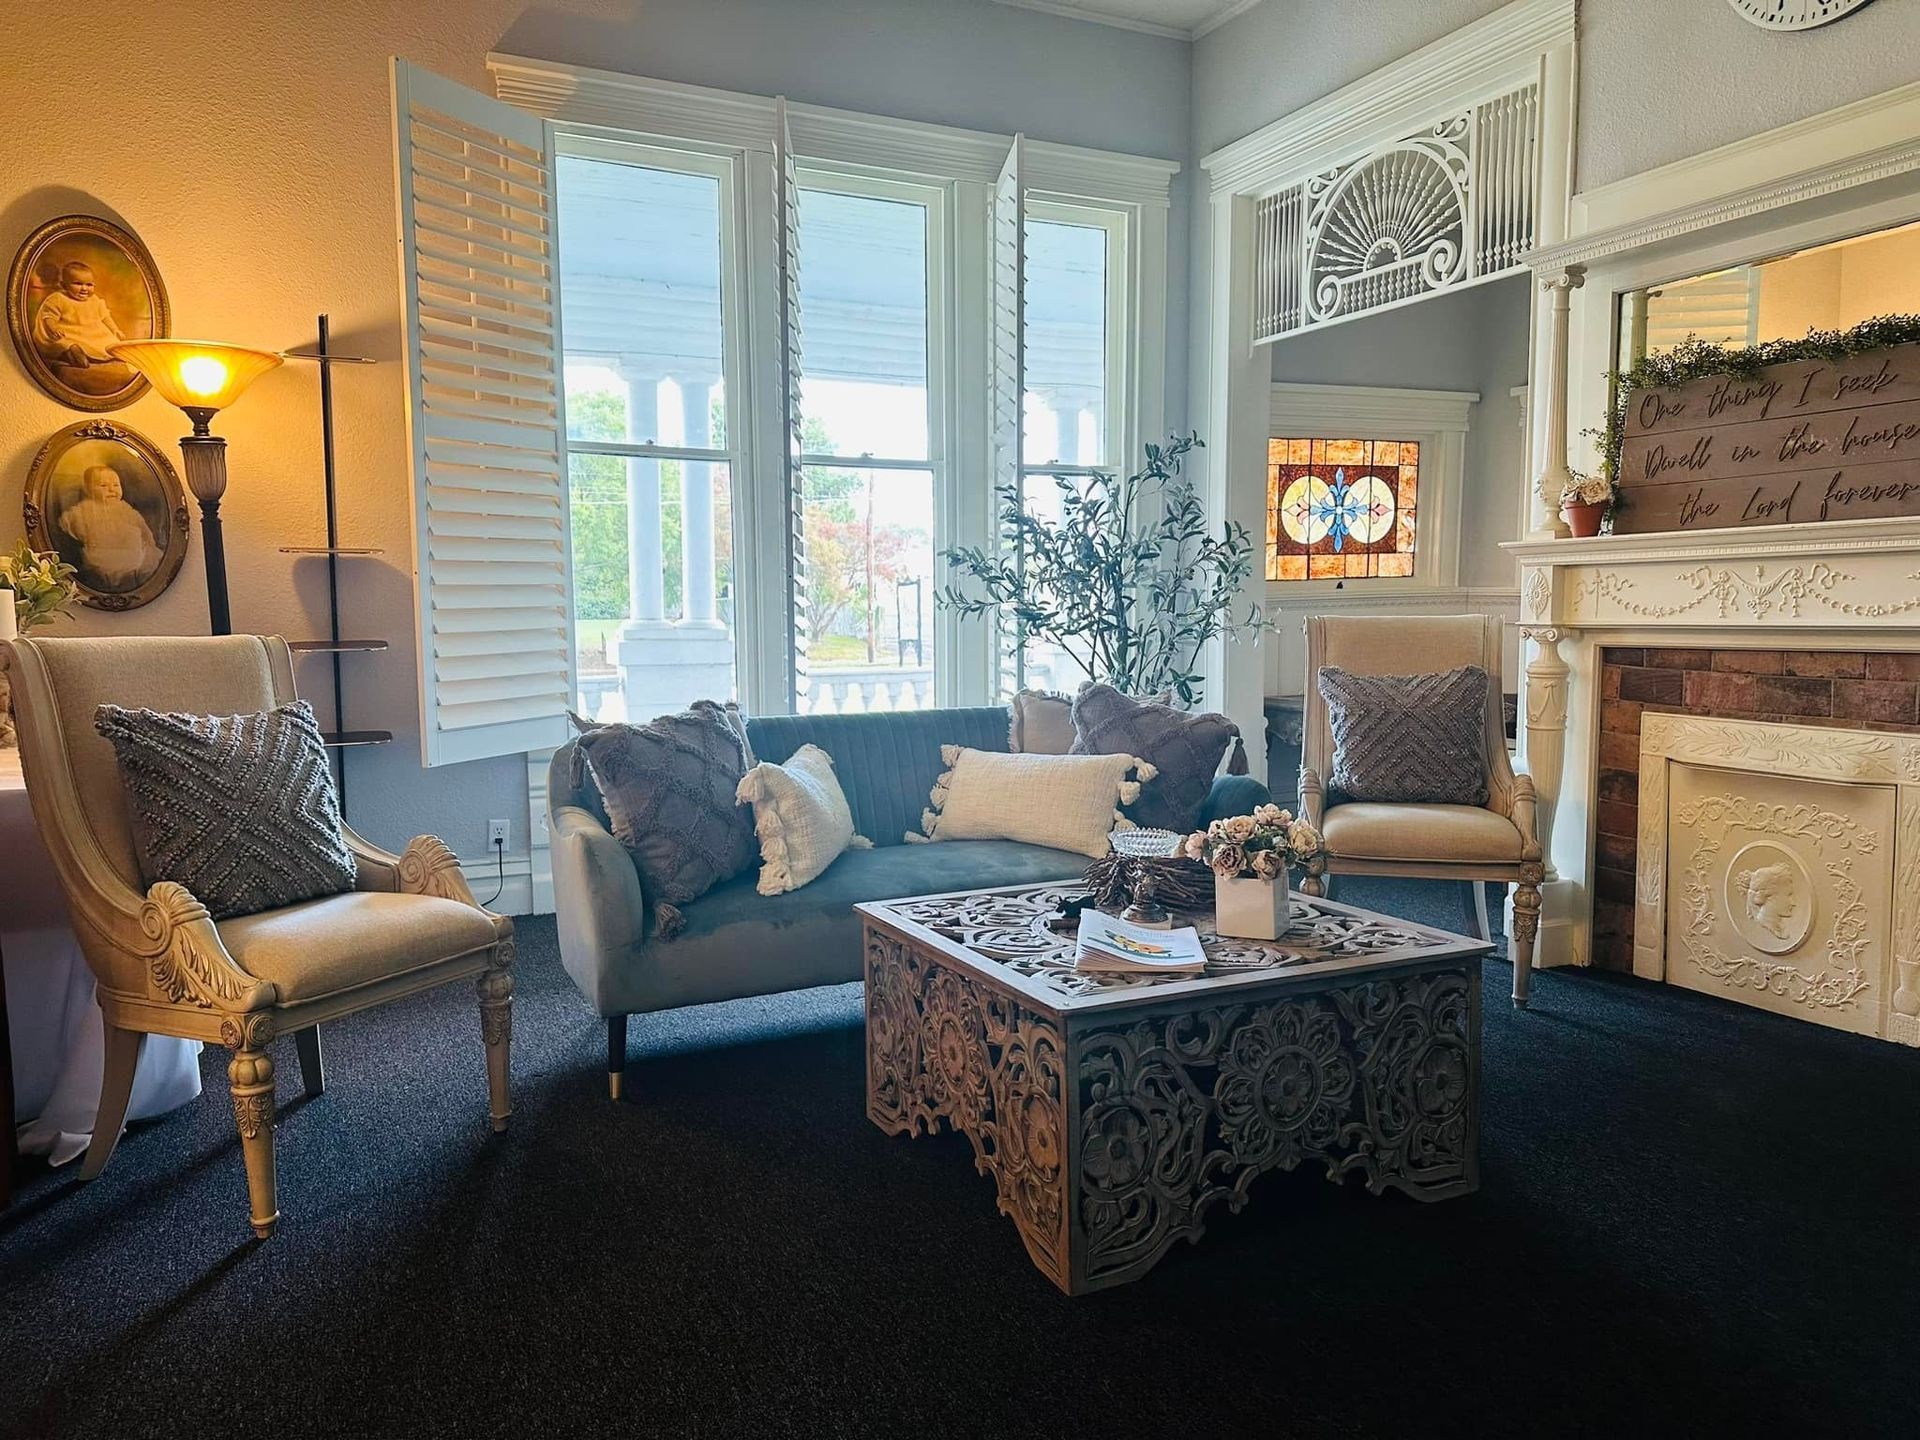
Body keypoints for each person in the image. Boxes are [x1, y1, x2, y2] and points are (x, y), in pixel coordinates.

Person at [59, 464, 159, 590]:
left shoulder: (125, 508)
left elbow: (142, 526)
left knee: (145, 557)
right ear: (88, 490)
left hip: (132, 552)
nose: (111, 489)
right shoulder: (85, 509)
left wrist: (150, 542)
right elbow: (70, 522)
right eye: (103, 485)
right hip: (102, 554)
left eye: (116, 485)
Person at [32, 260, 125, 368]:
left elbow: (105, 317)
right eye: (78, 284)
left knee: (110, 342)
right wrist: (54, 328)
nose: (84, 288)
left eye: (89, 285)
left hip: (92, 335)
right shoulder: (58, 299)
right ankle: (73, 355)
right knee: (64, 344)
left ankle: (111, 354)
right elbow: (49, 317)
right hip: (69, 334)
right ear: (64, 285)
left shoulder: (94, 300)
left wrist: (115, 329)